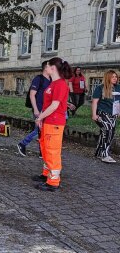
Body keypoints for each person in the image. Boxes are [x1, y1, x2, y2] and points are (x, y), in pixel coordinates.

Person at [33, 57, 72, 192]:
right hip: (48, 122)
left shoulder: (60, 84)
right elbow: (48, 104)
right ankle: (46, 174)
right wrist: (42, 119)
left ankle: (53, 182)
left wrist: (39, 117)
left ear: (53, 68)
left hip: (54, 123)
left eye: (47, 66)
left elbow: (55, 106)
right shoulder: (53, 84)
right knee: (45, 148)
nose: (46, 68)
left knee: (52, 151)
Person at [17, 61, 51, 157]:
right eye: (51, 66)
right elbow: (32, 95)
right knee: (38, 130)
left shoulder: (52, 80)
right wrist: (35, 109)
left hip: (47, 109)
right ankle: (22, 144)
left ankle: (42, 152)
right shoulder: (38, 79)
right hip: (39, 108)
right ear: (45, 68)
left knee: (43, 130)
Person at [91, 70, 120, 163]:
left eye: (116, 76)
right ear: (108, 77)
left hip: (113, 114)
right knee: (108, 130)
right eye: (113, 77)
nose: (115, 78)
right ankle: (105, 154)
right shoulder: (100, 88)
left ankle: (99, 152)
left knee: (108, 132)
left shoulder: (118, 88)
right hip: (101, 113)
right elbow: (95, 102)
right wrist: (94, 114)